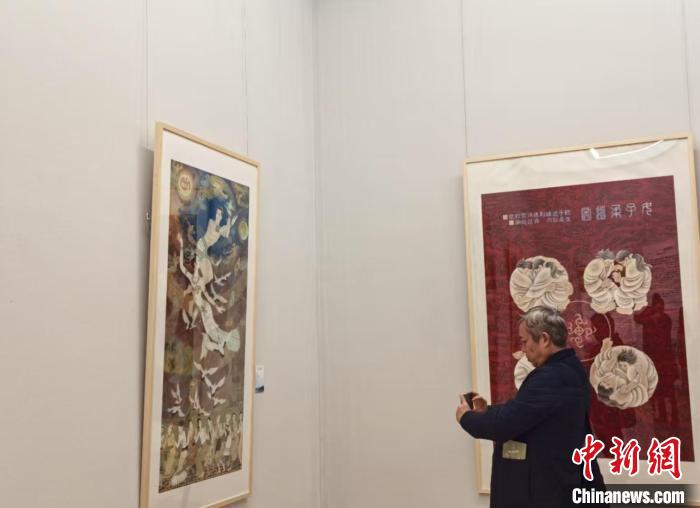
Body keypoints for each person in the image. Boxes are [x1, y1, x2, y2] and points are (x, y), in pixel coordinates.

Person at [456, 306, 607, 508]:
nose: (523, 349)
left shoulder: (551, 376)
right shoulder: (570, 368)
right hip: (560, 483)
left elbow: (504, 425)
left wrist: (466, 417)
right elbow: (526, 413)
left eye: (525, 341)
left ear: (544, 339)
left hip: (546, 491)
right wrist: (487, 412)